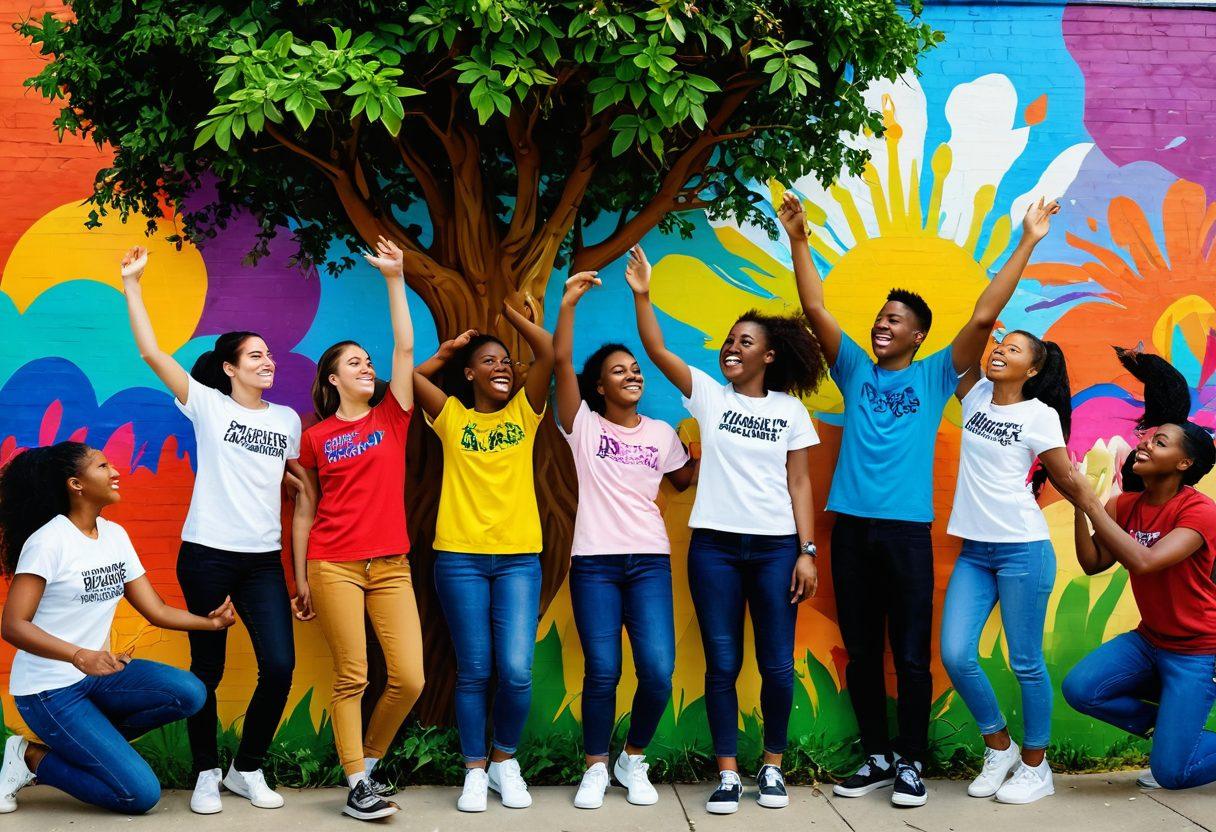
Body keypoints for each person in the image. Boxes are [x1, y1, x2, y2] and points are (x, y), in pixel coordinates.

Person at [778, 191, 1060, 807]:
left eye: (895, 319)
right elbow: (814, 306)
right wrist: (799, 238)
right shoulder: (853, 368)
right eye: (880, 317)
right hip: (850, 529)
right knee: (860, 651)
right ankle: (877, 756)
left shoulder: (937, 375)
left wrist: (1029, 240)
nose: (882, 324)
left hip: (907, 533)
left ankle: (910, 762)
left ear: (919, 334)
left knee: (909, 655)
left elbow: (985, 318)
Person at [627, 244, 825, 815]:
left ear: (769, 356)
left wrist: (806, 551)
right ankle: (729, 774)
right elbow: (657, 348)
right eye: (729, 340)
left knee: (776, 662)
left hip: (775, 550)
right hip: (713, 547)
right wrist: (644, 295)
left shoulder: (790, 411)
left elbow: (801, 486)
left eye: (745, 341)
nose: (731, 347)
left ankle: (772, 767)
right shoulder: (709, 396)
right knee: (722, 662)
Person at [120, 246, 302, 814]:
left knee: (279, 665)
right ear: (229, 367)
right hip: (206, 556)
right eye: (255, 356)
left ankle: (245, 768)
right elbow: (152, 352)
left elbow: (290, 480)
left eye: (269, 355)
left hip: (262, 561)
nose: (267, 361)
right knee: (209, 668)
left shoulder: (286, 420)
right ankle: (204, 772)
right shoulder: (208, 406)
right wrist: (132, 284)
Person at [0, 442, 235, 815]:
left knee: (190, 693)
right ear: (76, 484)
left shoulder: (114, 536)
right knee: (139, 795)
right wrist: (79, 655)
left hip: (97, 675)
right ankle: (29, 758)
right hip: (48, 690)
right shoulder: (48, 542)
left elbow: (155, 609)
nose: (115, 472)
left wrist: (211, 623)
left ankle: (91, 742)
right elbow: (13, 625)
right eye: (103, 466)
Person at [293, 237, 425, 822]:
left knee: (409, 678)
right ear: (332, 379)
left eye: (368, 363)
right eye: (355, 363)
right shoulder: (315, 438)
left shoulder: (392, 418)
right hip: (333, 564)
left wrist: (395, 278)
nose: (367, 367)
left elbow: (404, 345)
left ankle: (366, 767)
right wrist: (298, 577)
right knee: (353, 675)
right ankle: (356, 783)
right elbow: (304, 511)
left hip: (391, 564)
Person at [554, 271, 695, 810]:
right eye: (619, 371)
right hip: (594, 563)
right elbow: (562, 362)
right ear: (599, 387)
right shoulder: (584, 426)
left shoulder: (661, 433)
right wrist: (568, 304)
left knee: (658, 670)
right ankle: (594, 766)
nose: (632, 375)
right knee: (604, 670)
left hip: (649, 563)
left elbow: (683, 478)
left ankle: (631, 757)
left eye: (635, 370)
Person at [413, 295, 554, 813]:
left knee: (516, 670)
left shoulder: (526, 412)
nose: (501, 367)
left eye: (505, 361)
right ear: (469, 374)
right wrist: (447, 351)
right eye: (488, 361)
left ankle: (504, 762)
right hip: (460, 559)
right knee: (474, 669)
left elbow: (548, 354)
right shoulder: (451, 417)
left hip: (518, 558)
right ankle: (474, 771)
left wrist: (515, 320)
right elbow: (405, 379)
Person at [940, 330, 1093, 803]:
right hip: (975, 551)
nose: (1000, 351)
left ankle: (1035, 766)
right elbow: (968, 340)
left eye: (1014, 350)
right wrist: (990, 326)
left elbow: (1067, 477)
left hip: (1022, 549)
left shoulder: (1039, 415)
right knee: (955, 653)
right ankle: (998, 746)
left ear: (1032, 370)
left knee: (1025, 662)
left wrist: (1102, 521)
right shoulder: (977, 393)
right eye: (999, 346)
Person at [1063, 348, 1216, 792]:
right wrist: (1081, 504)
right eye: (1149, 437)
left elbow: (1144, 560)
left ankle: (1177, 746)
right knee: (1083, 689)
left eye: (1160, 442)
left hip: (1197, 651)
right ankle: (1176, 732)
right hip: (1152, 641)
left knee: (1172, 774)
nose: (1145, 442)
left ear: (1184, 464)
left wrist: (1093, 504)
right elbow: (1093, 564)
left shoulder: (1199, 512)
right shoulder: (1124, 505)